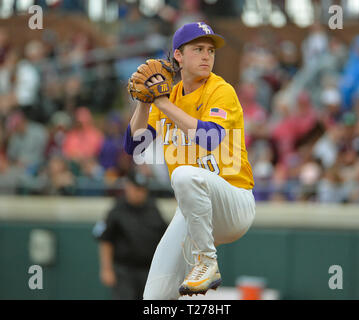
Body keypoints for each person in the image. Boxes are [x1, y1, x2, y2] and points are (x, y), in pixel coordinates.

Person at [124, 22, 256, 299]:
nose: (207, 55)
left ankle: (207, 261)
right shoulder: (169, 97)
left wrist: (162, 103)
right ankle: (201, 263)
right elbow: (135, 146)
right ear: (178, 56)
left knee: (184, 174)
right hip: (193, 212)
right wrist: (144, 102)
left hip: (232, 200)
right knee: (155, 298)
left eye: (210, 50)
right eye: (198, 49)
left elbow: (209, 138)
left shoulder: (220, 90)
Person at [93, 170, 167, 300]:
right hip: (124, 270)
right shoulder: (117, 210)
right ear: (128, 187)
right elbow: (105, 240)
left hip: (148, 270)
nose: (139, 193)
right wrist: (106, 268)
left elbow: (164, 238)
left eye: (142, 189)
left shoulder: (152, 208)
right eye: (136, 188)